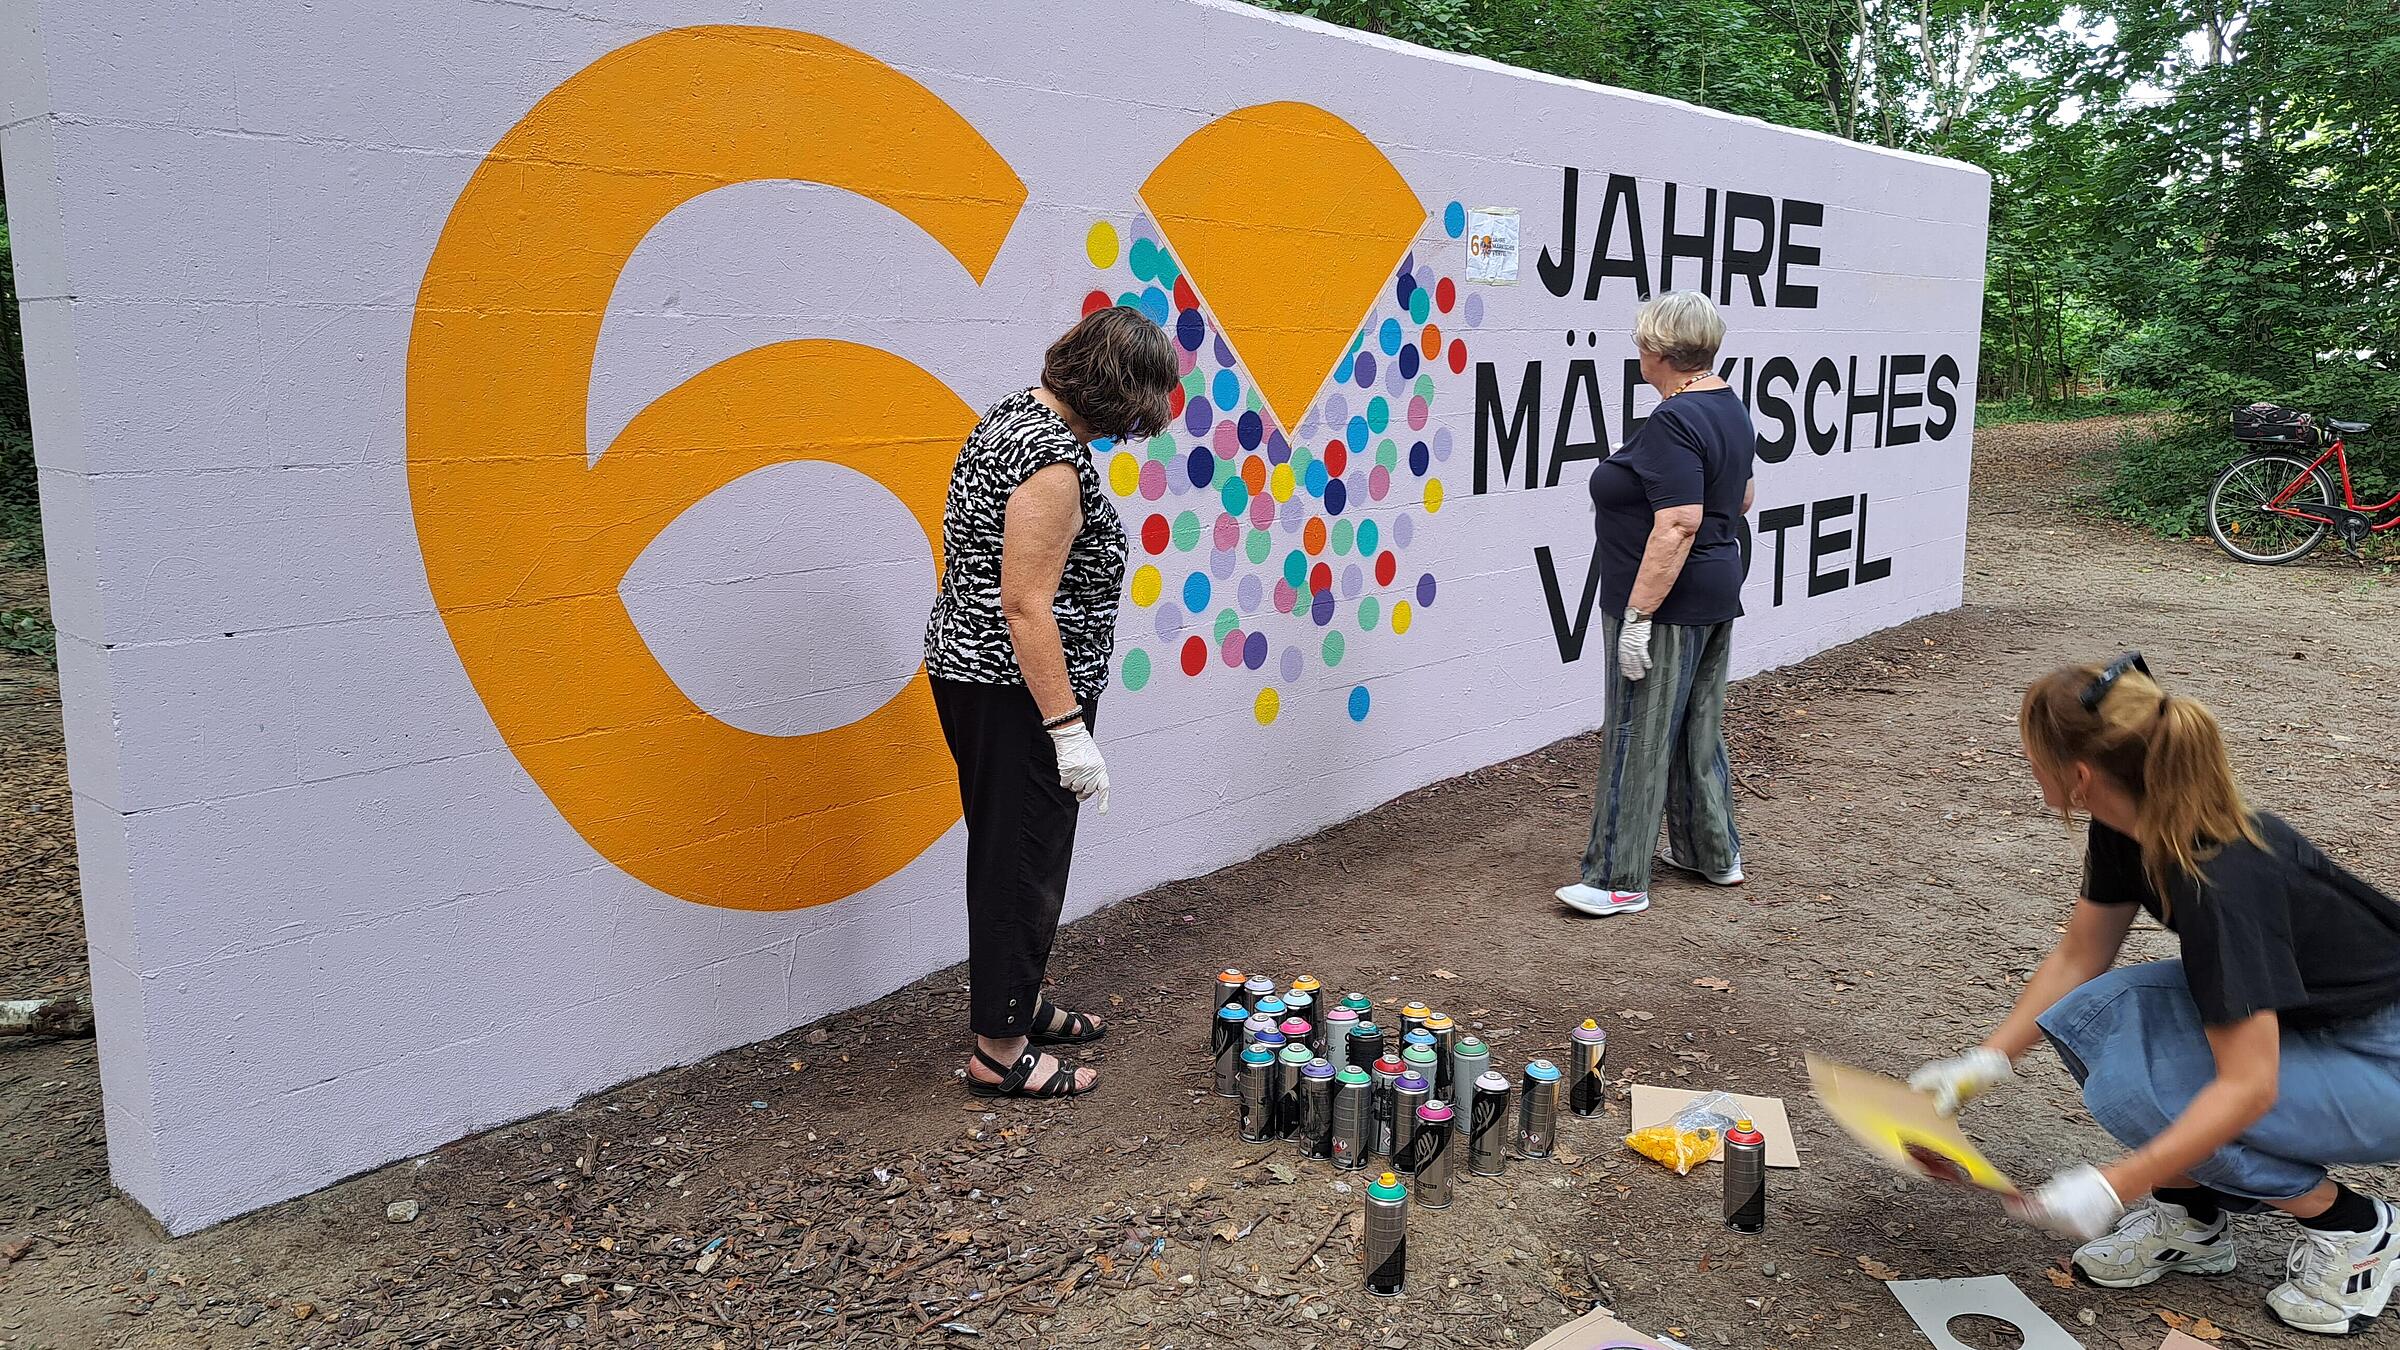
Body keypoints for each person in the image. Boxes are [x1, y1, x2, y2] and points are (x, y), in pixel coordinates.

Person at [1913, 654, 2400, 1336]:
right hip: (2320, 1020)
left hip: (2385, 1057)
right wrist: (1983, 1063)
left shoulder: (2222, 881)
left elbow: (2248, 1087)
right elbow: (2082, 953)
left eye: (2031, 756)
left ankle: (2355, 1227)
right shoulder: (2131, 822)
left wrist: (2117, 1182)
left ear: (2079, 776)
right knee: (2101, 1018)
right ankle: (2194, 1221)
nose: (2028, 767)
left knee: (2152, 1090)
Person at [923, 305, 1177, 1099]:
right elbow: (1027, 604)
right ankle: (1000, 1052)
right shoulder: (1053, 467)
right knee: (1019, 863)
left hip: (981, 679)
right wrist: (1068, 731)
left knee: (1020, 851)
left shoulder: (1013, 417)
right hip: (1016, 693)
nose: (1135, 429)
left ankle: (1019, 1002)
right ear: (1114, 393)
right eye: (1138, 411)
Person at [1558, 290, 1756, 917]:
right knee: (1696, 728)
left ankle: (1617, 878)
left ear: (1661, 351)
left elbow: (1678, 522)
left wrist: (1638, 617)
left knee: (1636, 733)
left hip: (1666, 605)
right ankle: (1711, 853)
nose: (1637, 353)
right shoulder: (1728, 405)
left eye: (1642, 342)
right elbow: (1743, 497)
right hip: (1715, 590)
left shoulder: (1674, 419)